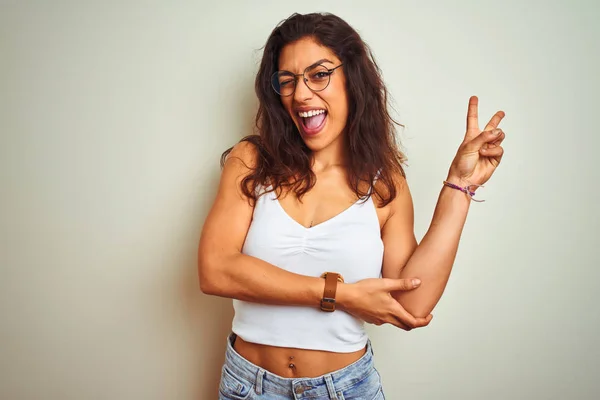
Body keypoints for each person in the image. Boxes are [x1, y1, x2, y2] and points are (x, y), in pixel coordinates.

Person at [198, 11, 506, 400]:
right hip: (249, 387)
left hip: (345, 389)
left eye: (319, 74)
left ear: (352, 80)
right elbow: (216, 270)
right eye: (288, 81)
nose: (302, 94)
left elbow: (412, 303)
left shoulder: (384, 182)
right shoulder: (252, 160)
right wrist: (339, 295)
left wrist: (459, 186)